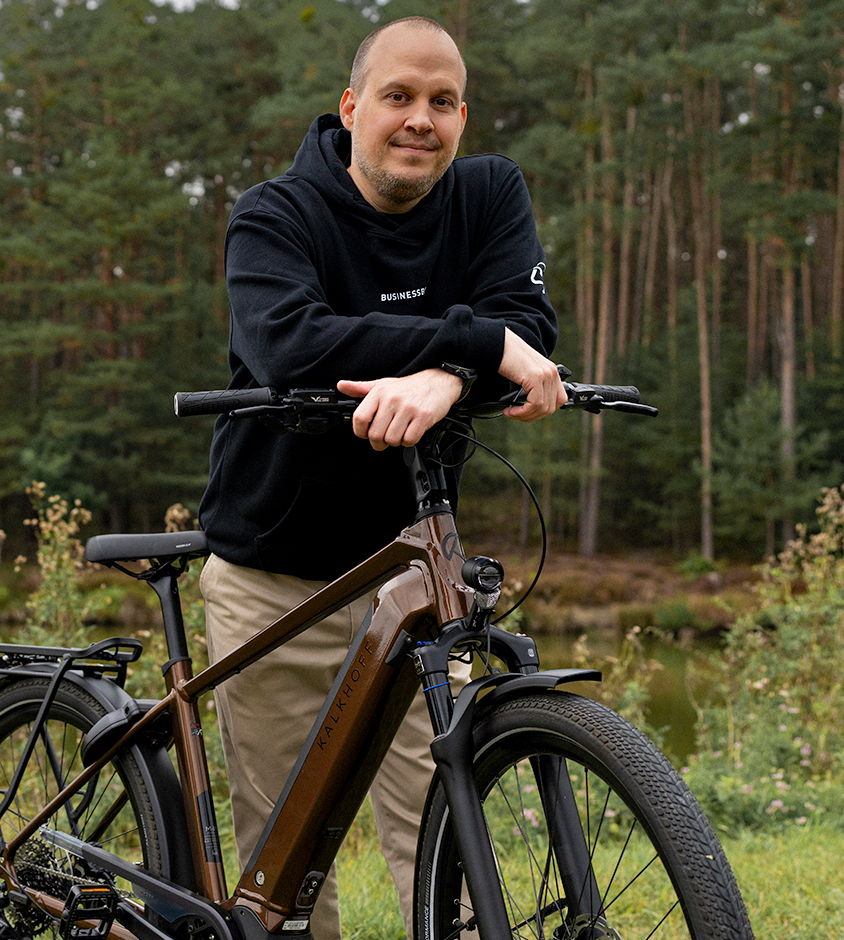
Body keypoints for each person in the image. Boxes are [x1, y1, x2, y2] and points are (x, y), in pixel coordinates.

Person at [195, 16, 566, 939]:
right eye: (398, 97)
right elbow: (293, 344)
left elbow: (528, 317)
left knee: (444, 830)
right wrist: (474, 342)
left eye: (442, 102)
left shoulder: (488, 194)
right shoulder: (274, 213)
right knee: (285, 879)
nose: (420, 120)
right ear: (353, 106)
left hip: (412, 576)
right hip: (274, 580)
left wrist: (442, 380)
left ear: (462, 116)